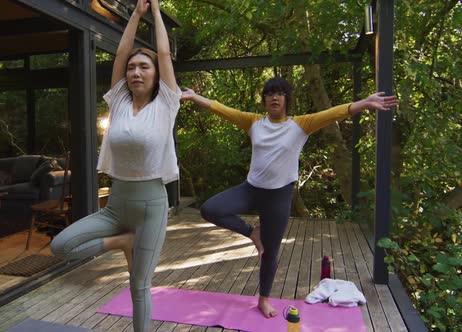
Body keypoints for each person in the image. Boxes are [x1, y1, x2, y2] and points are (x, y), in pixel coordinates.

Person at [181, 77, 397, 318]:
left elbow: (333, 113)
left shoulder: (300, 125)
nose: (275, 97)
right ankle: (253, 232)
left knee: (270, 252)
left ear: (286, 99)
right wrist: (194, 96)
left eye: (280, 93)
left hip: (279, 197)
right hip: (251, 190)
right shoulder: (253, 123)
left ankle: (264, 299)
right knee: (210, 209)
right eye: (270, 93)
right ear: (264, 100)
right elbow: (220, 108)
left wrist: (365, 103)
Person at [50, 0, 181, 331]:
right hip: (116, 206)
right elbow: (119, 55)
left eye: (144, 67)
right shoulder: (120, 100)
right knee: (60, 246)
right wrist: (134, 15)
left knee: (139, 286)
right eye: (132, 68)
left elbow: (164, 54)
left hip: (151, 206)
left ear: (156, 76)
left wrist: (154, 14)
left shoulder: (166, 103)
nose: (136, 72)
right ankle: (122, 242)